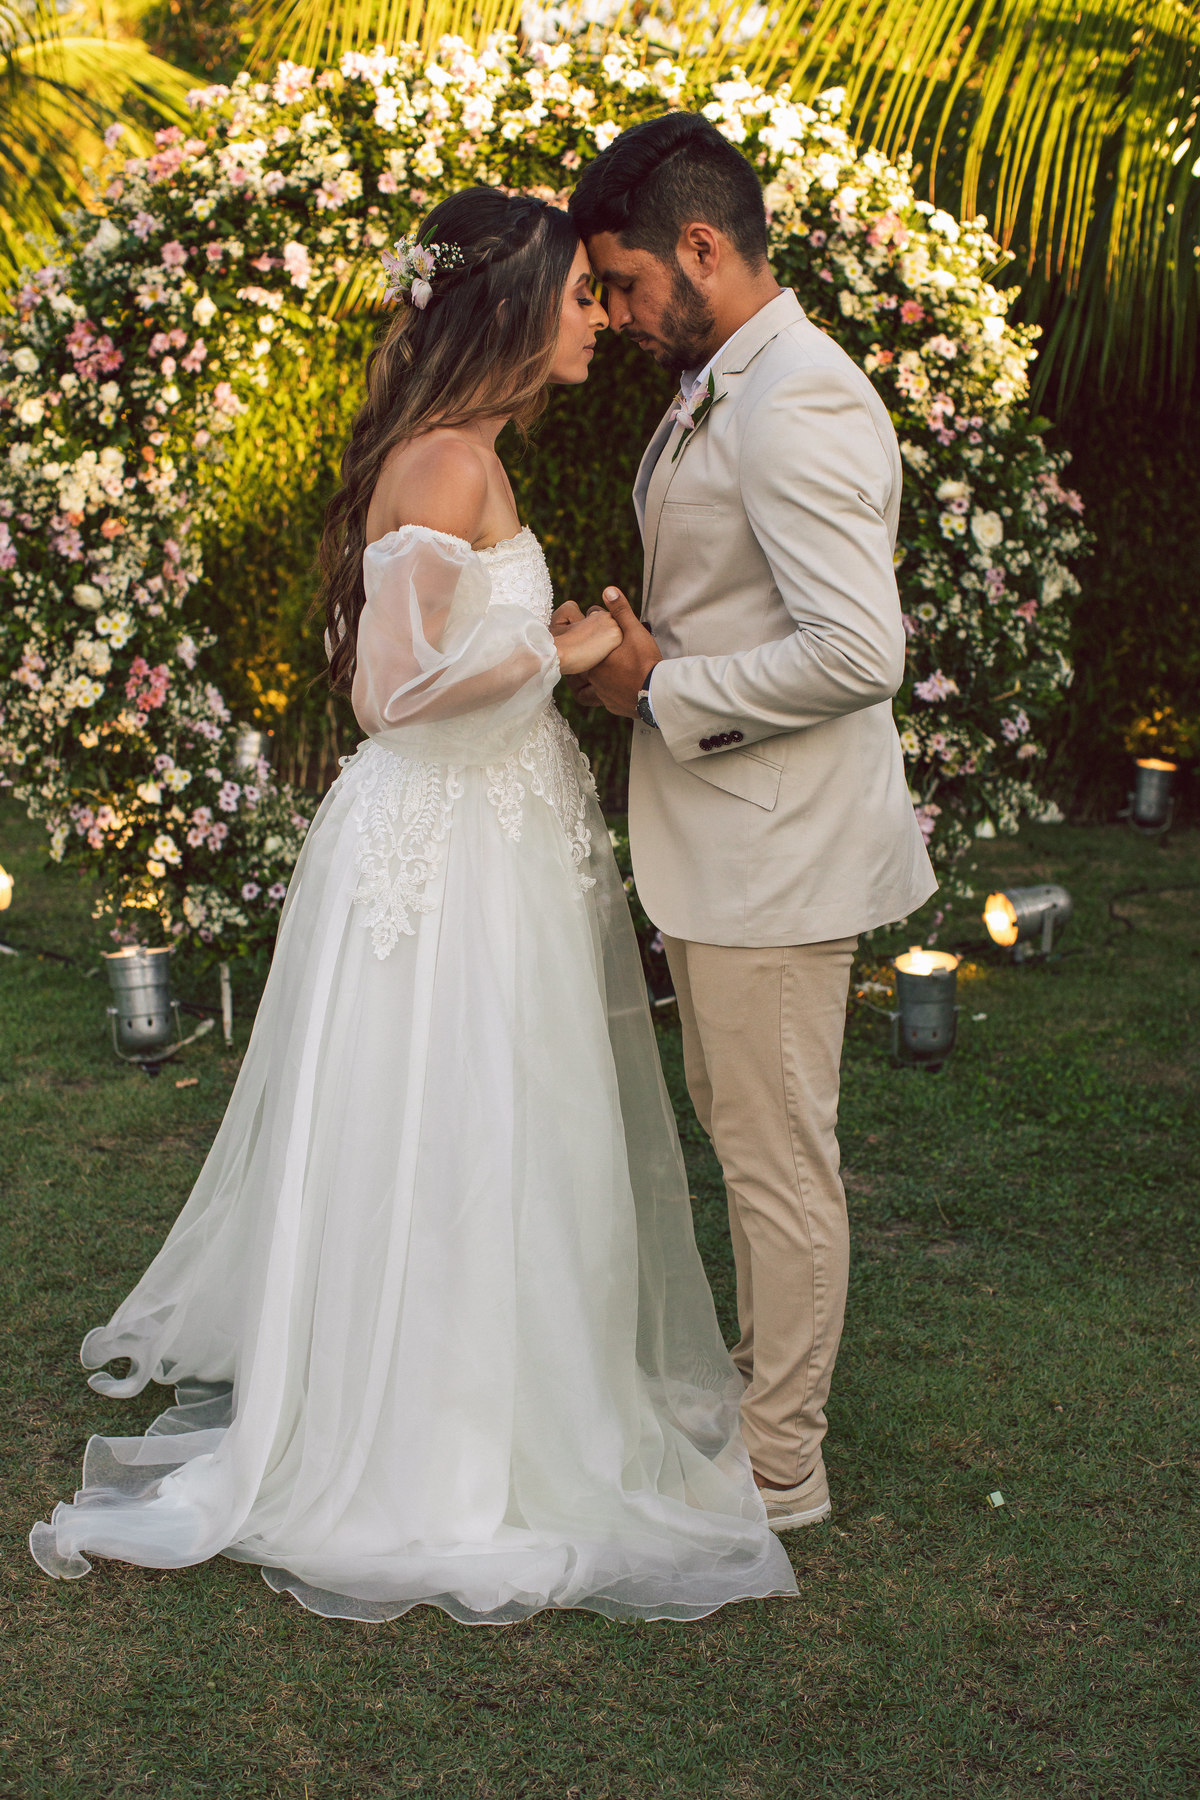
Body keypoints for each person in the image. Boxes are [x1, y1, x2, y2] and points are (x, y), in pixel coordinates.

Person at [29, 189, 797, 1623]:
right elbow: (393, 695)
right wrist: (556, 657)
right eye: (577, 293)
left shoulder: (464, 454)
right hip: (439, 859)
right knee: (458, 1119)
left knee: (500, 1119)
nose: (597, 315)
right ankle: (443, 1446)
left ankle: (498, 1397)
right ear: (509, 305)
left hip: (480, 839)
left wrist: (543, 647)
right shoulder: (447, 464)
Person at [568, 116, 937, 1530]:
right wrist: (641, 658)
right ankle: (759, 1395)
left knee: (780, 1160)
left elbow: (860, 651)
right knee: (751, 1136)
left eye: (623, 279)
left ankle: (782, 1462)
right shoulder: (726, 378)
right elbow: (750, 605)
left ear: (703, 250)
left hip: (777, 853)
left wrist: (669, 684)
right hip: (732, 839)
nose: (611, 309)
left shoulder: (795, 399)